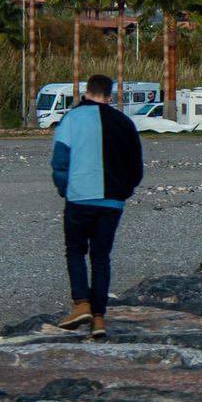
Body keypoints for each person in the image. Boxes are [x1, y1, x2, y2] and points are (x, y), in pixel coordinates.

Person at [51, 74, 143, 341]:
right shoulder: (124, 122)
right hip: (112, 201)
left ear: (86, 93)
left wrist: (64, 189)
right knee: (101, 257)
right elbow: (136, 166)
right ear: (109, 96)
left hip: (80, 197)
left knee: (75, 250)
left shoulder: (71, 119)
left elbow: (60, 161)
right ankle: (99, 318)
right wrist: (124, 192)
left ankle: (81, 304)